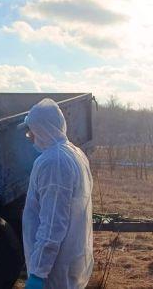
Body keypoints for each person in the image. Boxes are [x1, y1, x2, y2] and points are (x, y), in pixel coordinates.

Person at [18, 98, 94, 289]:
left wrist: (38, 273)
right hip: (70, 258)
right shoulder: (74, 153)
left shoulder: (54, 162)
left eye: (31, 131)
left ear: (42, 129)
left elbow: (52, 223)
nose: (30, 137)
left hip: (54, 269)